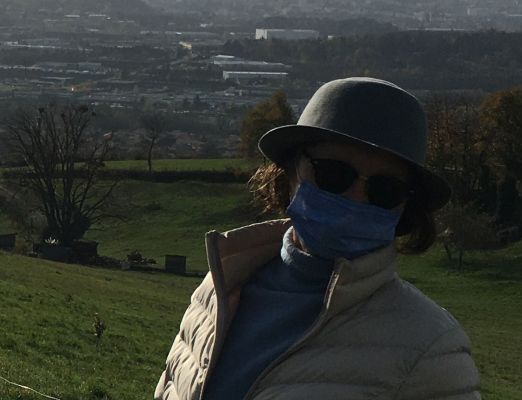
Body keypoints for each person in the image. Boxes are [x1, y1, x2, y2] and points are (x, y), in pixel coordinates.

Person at [153, 78, 480, 400]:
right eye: (334, 174)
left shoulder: (430, 350)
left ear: (407, 206)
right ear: (292, 170)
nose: (356, 198)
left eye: (385, 190)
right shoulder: (220, 289)